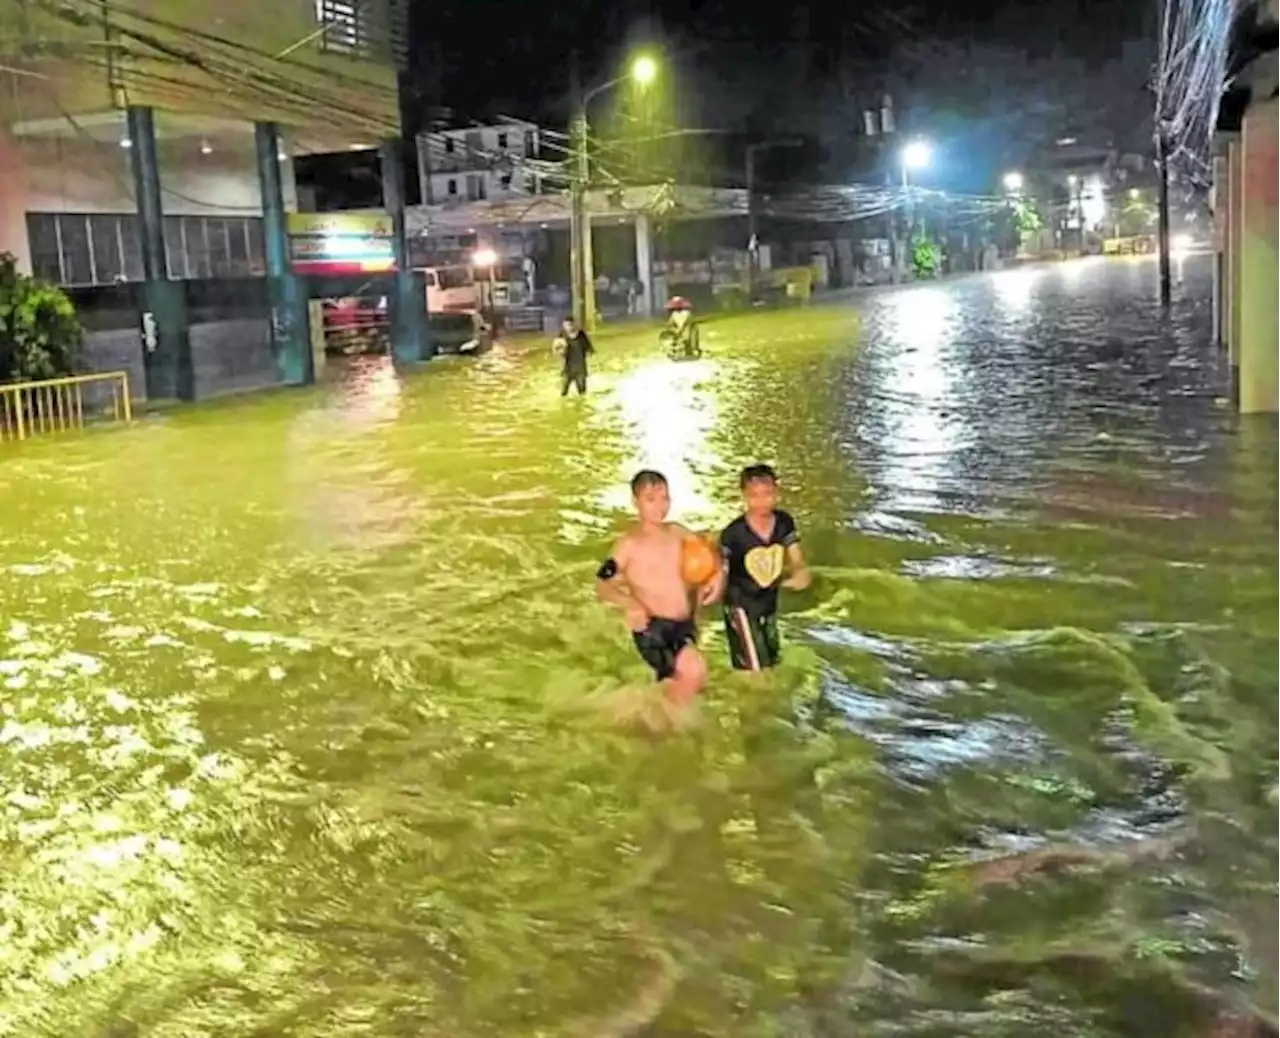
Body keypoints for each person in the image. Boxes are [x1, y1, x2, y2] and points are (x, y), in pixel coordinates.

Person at [596, 469, 714, 706]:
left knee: (676, 684)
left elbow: (709, 551)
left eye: (664, 498)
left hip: (685, 623)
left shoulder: (678, 532)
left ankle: (654, 722)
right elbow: (601, 584)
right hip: (653, 627)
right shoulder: (628, 545)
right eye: (651, 499)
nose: (660, 506)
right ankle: (674, 724)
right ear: (635, 502)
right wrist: (631, 604)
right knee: (694, 670)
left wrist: (715, 577)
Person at [718, 464, 812, 672]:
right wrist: (708, 592)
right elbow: (720, 571)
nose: (762, 501)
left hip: (768, 602)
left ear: (777, 493)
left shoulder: (784, 523)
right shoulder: (732, 534)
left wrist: (799, 573)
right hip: (739, 606)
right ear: (744, 496)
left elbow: (796, 558)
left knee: (772, 662)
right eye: (754, 495)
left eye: (767, 493)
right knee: (756, 669)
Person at [553, 316, 594, 396]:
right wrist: (560, 351)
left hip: (580, 369)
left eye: (568, 325)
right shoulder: (561, 335)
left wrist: (589, 352)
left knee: (582, 393)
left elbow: (590, 349)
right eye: (564, 326)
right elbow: (556, 349)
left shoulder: (581, 335)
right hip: (568, 369)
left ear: (573, 325)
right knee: (563, 393)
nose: (566, 328)